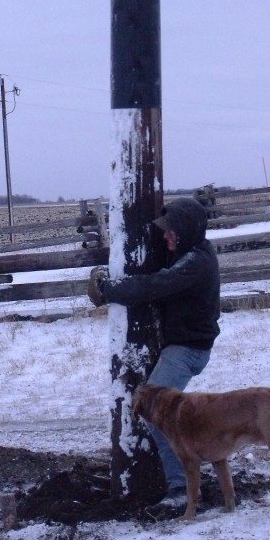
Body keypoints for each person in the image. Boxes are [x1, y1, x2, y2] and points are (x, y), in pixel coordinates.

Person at [87, 196, 220, 514]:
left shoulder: (196, 262)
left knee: (158, 412)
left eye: (170, 230)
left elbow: (155, 285)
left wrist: (108, 290)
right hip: (181, 346)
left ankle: (180, 488)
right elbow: (151, 272)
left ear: (186, 229)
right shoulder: (188, 252)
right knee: (166, 414)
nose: (164, 236)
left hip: (188, 350)